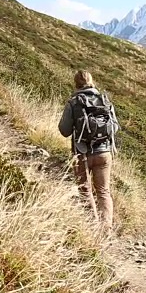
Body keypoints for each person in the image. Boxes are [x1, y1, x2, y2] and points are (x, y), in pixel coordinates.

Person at [58, 70, 120, 232]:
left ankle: (92, 227)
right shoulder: (104, 100)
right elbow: (115, 127)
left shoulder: (73, 102)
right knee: (103, 191)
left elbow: (64, 130)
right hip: (104, 152)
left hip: (82, 153)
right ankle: (106, 229)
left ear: (76, 83)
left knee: (85, 189)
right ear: (92, 81)